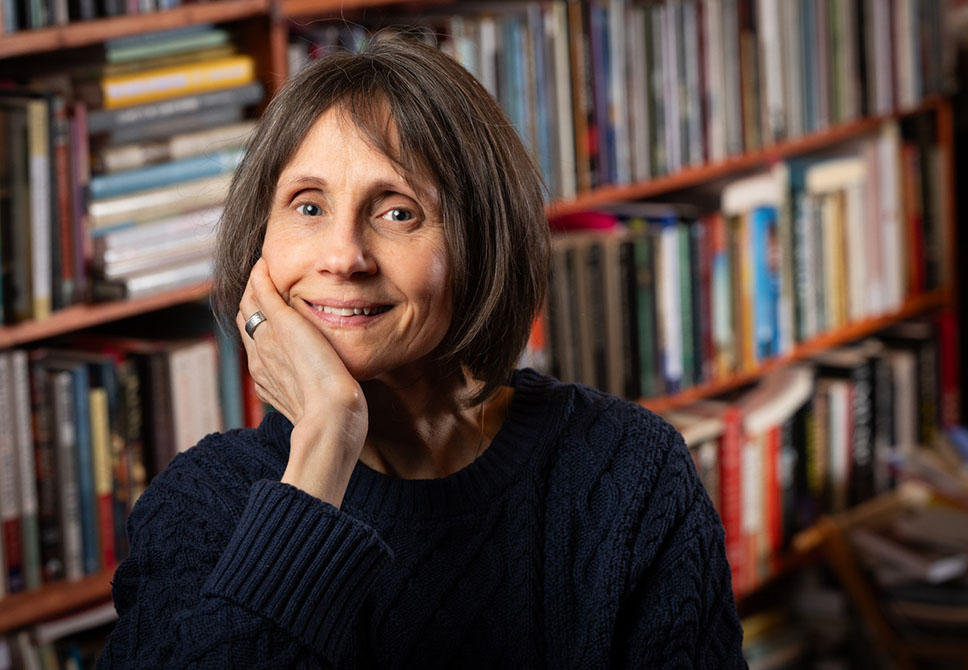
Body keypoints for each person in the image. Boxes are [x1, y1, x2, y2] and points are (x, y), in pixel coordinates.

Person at [98, 33, 746, 669]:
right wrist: (326, 436)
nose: (343, 257)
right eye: (308, 206)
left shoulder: (629, 470)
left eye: (398, 213)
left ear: (481, 243)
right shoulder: (200, 503)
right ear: (260, 240)